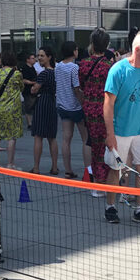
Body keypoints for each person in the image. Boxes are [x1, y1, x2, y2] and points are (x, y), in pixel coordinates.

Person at [102, 31, 140, 227]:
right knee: (115, 169)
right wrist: (110, 134)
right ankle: (111, 206)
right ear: (137, 50)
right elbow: (108, 104)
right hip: (121, 130)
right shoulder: (118, 70)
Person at [79, 30, 113, 189]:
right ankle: (106, 180)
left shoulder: (84, 63)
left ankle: (97, 180)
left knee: (94, 145)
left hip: (89, 108)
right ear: (107, 45)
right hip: (106, 109)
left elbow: (81, 85)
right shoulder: (109, 66)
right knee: (107, 145)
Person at [55, 41, 87, 178]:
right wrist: (83, 102)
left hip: (62, 105)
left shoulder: (58, 67)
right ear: (74, 51)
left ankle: (68, 170)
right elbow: (76, 88)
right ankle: (88, 171)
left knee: (66, 138)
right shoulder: (74, 68)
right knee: (86, 139)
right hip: (75, 106)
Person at [0, 51, 24, 168]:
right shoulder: (17, 74)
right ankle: (10, 163)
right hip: (13, 109)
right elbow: (21, 87)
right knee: (11, 137)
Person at [30, 45, 59, 174]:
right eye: (38, 56)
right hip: (52, 103)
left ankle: (36, 167)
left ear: (49, 57)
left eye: (42, 56)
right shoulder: (56, 72)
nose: (39, 58)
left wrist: (34, 88)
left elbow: (34, 89)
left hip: (42, 102)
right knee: (52, 137)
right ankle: (54, 166)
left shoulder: (44, 73)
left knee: (38, 136)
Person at [20, 52, 38, 130]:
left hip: (34, 89)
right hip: (27, 90)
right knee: (29, 106)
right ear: (27, 60)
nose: (34, 60)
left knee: (33, 105)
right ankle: (29, 123)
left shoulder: (33, 68)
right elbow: (23, 80)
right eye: (32, 58)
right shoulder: (25, 68)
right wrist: (33, 82)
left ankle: (33, 122)